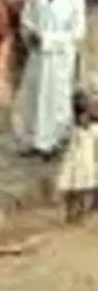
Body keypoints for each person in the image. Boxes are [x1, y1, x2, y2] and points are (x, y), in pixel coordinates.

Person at [13, 0, 88, 156]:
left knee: (56, 98)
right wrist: (30, 35)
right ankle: (30, 139)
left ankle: (53, 141)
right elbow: (26, 19)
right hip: (37, 55)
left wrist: (49, 39)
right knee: (32, 96)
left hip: (59, 58)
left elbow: (77, 32)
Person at [56, 94, 98, 224]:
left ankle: (80, 213)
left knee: (83, 190)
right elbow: (62, 142)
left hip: (86, 164)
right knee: (71, 190)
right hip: (72, 163)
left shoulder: (94, 131)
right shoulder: (70, 129)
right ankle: (70, 212)